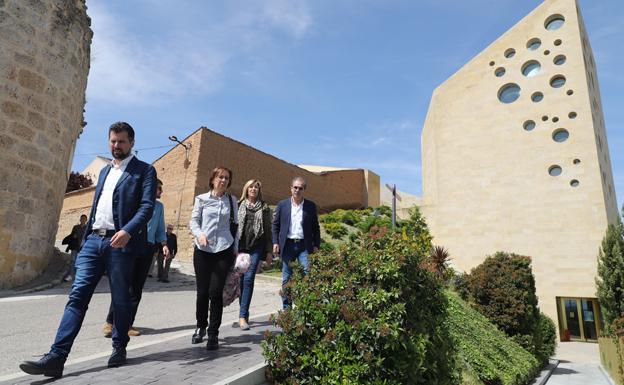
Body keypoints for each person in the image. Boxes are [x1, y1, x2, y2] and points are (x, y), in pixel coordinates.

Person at [19, 122, 157, 378]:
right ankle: (56, 358)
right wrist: (85, 241)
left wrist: (127, 231)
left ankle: (119, 346)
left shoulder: (144, 171)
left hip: (121, 243)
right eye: (113, 141)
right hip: (94, 241)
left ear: (132, 143)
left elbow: (147, 206)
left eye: (122, 142)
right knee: (77, 297)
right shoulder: (104, 172)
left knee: (120, 299)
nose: (116, 146)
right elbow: (96, 207)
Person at [102, 179, 169, 337]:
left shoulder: (159, 207)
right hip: (131, 246)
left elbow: (160, 228)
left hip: (148, 248)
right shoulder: (136, 203)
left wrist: (164, 244)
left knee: (137, 288)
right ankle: (110, 322)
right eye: (159, 188)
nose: (161, 191)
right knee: (123, 285)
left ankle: (127, 324)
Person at [189, 166, 238, 350]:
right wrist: (200, 234)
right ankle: (201, 326)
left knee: (215, 293)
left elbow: (235, 226)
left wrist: (236, 250)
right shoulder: (201, 199)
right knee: (202, 292)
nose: (223, 181)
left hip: (224, 249)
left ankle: (213, 333)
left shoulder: (232, 201)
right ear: (212, 179)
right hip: (203, 249)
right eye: (220, 177)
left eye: (226, 178)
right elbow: (193, 221)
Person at [272, 176, 320, 309]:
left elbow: (316, 227)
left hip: (304, 246)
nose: (297, 190)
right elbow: (275, 225)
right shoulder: (282, 205)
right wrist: (275, 242)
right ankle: (287, 311)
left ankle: (305, 308)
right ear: (291, 188)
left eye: (300, 188)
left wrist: (316, 245)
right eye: (295, 187)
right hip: (287, 245)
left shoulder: (310, 206)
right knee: (287, 278)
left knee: (307, 275)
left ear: (304, 189)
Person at [236, 179, 273, 330]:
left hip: (257, 246)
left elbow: (268, 230)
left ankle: (242, 316)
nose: (253, 189)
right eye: (251, 186)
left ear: (259, 190)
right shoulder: (238, 205)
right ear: (246, 189)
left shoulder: (264, 208)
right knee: (241, 280)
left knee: (249, 278)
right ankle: (244, 311)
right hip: (240, 245)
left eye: (256, 187)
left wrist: (269, 251)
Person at [63, 214, 88, 281]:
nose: (82, 220)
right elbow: (72, 235)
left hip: (83, 247)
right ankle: (71, 275)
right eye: (82, 218)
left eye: (84, 219)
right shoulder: (76, 227)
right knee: (73, 261)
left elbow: (87, 237)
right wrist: (74, 236)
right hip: (75, 246)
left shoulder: (87, 228)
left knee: (81, 262)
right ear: (80, 219)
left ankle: (79, 276)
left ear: (86, 220)